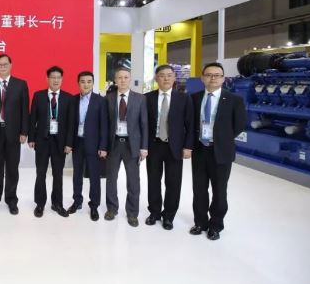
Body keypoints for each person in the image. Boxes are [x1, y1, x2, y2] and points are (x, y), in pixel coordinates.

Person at [190, 62, 246, 241]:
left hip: (221, 151)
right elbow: (190, 124)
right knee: (199, 189)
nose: (212, 78)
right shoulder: (194, 98)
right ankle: (200, 222)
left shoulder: (234, 100)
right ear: (202, 78)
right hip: (200, 150)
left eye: (217, 75)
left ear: (223, 78)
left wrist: (221, 138)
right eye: (208, 75)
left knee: (219, 191)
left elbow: (239, 125)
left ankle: (215, 225)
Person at [144, 65, 194, 230]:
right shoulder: (147, 98)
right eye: (162, 75)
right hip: (154, 145)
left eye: (169, 75)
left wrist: (188, 146)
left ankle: (169, 216)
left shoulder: (184, 98)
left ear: (174, 78)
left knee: (173, 183)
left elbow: (190, 124)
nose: (165, 78)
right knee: (153, 180)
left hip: (175, 147)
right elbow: (143, 124)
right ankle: (154, 212)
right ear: (156, 78)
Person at [0, 54, 29, 215]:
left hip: (14, 133)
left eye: (5, 64)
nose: (2, 67)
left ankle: (11, 200)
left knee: (12, 169)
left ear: (10, 65)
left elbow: (25, 110)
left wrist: (24, 131)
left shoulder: (21, 84)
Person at [103, 67, 148, 227]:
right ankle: (111, 209)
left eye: (126, 77)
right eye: (119, 77)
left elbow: (144, 124)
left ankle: (132, 213)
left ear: (130, 79)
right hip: (113, 144)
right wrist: (103, 146)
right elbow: (105, 125)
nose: (122, 80)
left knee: (133, 181)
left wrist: (144, 147)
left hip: (132, 145)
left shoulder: (140, 98)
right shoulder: (108, 98)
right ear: (115, 80)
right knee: (111, 179)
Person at [29, 66, 74, 218]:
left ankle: (57, 204)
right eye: (53, 77)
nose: (55, 80)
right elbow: (32, 119)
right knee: (40, 173)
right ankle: (40, 204)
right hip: (42, 141)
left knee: (58, 174)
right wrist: (31, 138)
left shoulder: (68, 98)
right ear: (47, 79)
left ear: (62, 79)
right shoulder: (38, 96)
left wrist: (69, 143)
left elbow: (71, 123)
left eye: (58, 77)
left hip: (60, 143)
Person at [67, 71, 108, 221]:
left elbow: (104, 125)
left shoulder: (100, 101)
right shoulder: (73, 100)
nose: (86, 84)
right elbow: (70, 124)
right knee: (77, 174)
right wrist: (68, 143)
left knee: (94, 176)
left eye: (89, 81)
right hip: (77, 143)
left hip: (94, 145)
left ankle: (94, 205)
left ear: (93, 83)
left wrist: (103, 146)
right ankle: (77, 201)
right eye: (83, 81)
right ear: (78, 83)